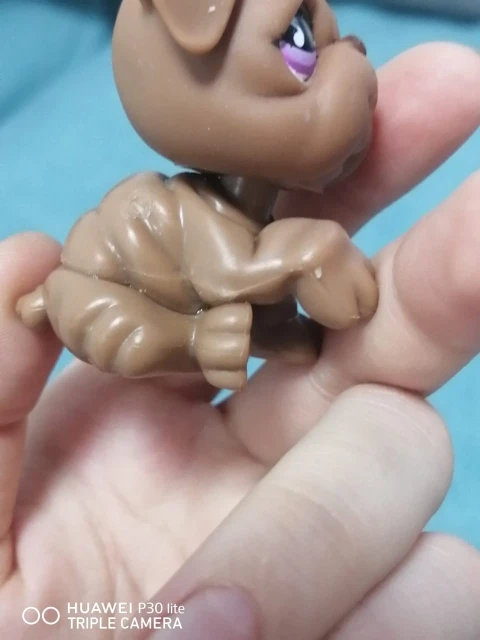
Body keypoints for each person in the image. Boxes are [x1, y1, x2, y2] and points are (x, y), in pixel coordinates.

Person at [1, 41, 479, 640]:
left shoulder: (240, 214)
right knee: (147, 332)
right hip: (98, 297)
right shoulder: (194, 211)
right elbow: (231, 275)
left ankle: (241, 335)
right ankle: (208, 337)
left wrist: (285, 319)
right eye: (299, 46)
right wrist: (314, 251)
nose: (350, 56)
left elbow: (247, 276)